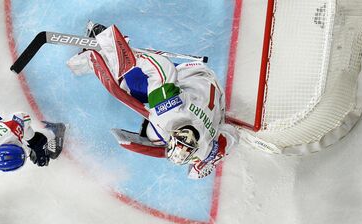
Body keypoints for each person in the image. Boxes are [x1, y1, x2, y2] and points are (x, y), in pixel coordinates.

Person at [67, 22, 239, 179]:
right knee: (131, 86)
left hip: (214, 94)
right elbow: (162, 68)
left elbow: (232, 134)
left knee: (154, 125)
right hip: (191, 74)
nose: (186, 137)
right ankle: (104, 46)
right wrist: (127, 57)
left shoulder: (205, 151)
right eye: (188, 142)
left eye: (180, 140)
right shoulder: (169, 111)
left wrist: (217, 154)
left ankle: (108, 54)